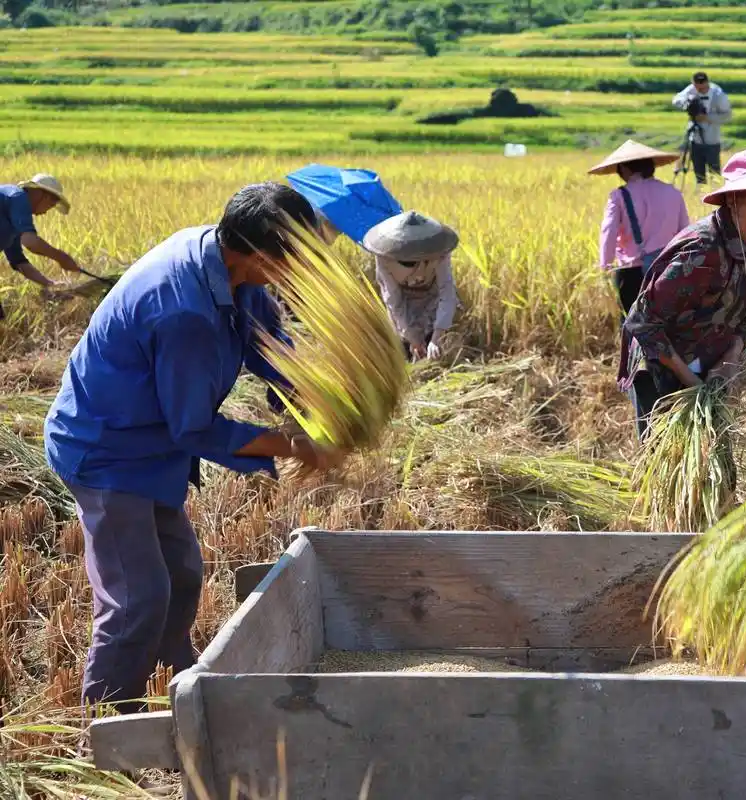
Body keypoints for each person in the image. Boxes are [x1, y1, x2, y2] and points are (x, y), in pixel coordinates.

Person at [43, 182, 344, 714]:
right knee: (139, 601)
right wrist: (292, 447)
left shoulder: (224, 262)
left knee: (181, 574)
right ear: (257, 254)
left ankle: (175, 684)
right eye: (295, 260)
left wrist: (301, 398)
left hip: (150, 445)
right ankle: (111, 722)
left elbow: (263, 335)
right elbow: (192, 427)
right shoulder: (185, 314)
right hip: (109, 452)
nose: (302, 273)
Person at [619, 149, 746, 440]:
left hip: (708, 361)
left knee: (714, 453)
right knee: (664, 455)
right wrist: (690, 381)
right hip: (661, 367)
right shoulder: (702, 251)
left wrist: (729, 361)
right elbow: (642, 322)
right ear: (731, 200)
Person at [589, 139, 690, 315]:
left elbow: (609, 231)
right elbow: (686, 233)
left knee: (632, 324)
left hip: (632, 271)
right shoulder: (673, 193)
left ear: (625, 169)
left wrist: (604, 265)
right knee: (665, 323)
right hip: (668, 268)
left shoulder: (619, 196)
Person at [363, 210, 461, 361]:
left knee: (436, 351)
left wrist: (436, 338)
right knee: (404, 351)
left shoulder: (439, 253)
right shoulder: (385, 258)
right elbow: (394, 300)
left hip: (431, 301)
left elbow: (446, 293)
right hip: (404, 306)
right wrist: (411, 336)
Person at [1, 174, 79, 295]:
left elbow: (19, 262)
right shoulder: (18, 197)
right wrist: (61, 257)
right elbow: (30, 242)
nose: (45, 212)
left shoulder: (12, 217)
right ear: (44, 196)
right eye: (50, 206)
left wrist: (49, 283)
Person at [671, 71, 733, 186]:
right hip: (694, 137)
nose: (700, 90)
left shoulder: (718, 95)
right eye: (697, 88)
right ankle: (701, 189)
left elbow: (727, 116)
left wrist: (707, 118)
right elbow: (676, 99)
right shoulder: (691, 89)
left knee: (714, 172)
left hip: (712, 138)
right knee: (698, 171)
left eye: (702, 88)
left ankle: (716, 191)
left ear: (707, 83)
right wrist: (687, 102)